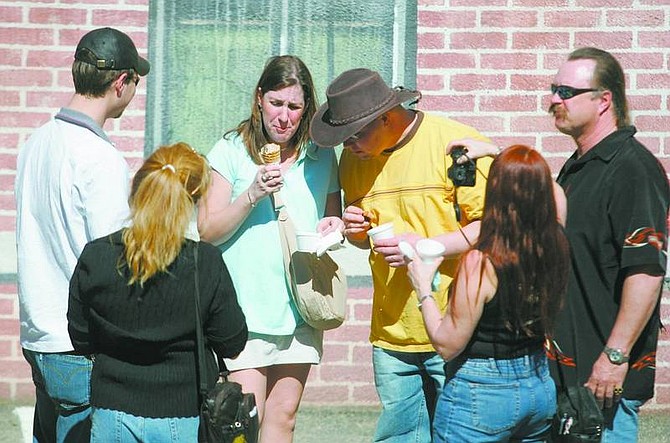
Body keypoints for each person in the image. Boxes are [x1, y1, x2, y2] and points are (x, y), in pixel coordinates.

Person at [446, 47, 670, 442]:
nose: (553, 99)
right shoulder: (581, 165)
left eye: (566, 91)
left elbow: (647, 272)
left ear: (604, 101)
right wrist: (499, 155)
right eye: (554, 89)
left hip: (601, 381)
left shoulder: (632, 170)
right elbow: (545, 201)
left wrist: (614, 358)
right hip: (565, 375)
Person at [309, 68, 493, 443]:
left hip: (454, 328)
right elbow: (365, 239)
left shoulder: (455, 148)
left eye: (354, 135)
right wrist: (356, 230)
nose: (348, 146)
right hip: (391, 336)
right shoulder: (355, 160)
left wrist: (425, 246)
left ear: (386, 117)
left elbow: (489, 227)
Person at [198, 55, 343, 442]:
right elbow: (208, 231)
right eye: (276, 103)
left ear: (306, 110)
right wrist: (252, 194)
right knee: (242, 422)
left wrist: (336, 228)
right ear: (260, 98)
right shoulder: (230, 149)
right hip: (244, 315)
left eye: (294, 107)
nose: (283, 116)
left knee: (284, 418)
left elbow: (332, 221)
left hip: (300, 308)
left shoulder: (321, 155)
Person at [14, 27, 149, 442]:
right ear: (121, 82)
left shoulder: (35, 143)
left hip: (38, 334)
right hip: (79, 346)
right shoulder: (101, 158)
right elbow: (115, 263)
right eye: (135, 81)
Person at [66, 142, 248, 442]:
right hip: (181, 414)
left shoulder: (96, 256)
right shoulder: (205, 262)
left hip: (111, 411)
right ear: (193, 200)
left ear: (139, 188)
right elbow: (232, 341)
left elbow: (80, 337)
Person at [406, 145, 569, 441]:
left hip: (482, 392)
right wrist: (498, 153)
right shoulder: (555, 240)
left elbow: (446, 344)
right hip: (538, 383)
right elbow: (556, 193)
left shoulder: (481, 262)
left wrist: (423, 290)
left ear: (494, 191)